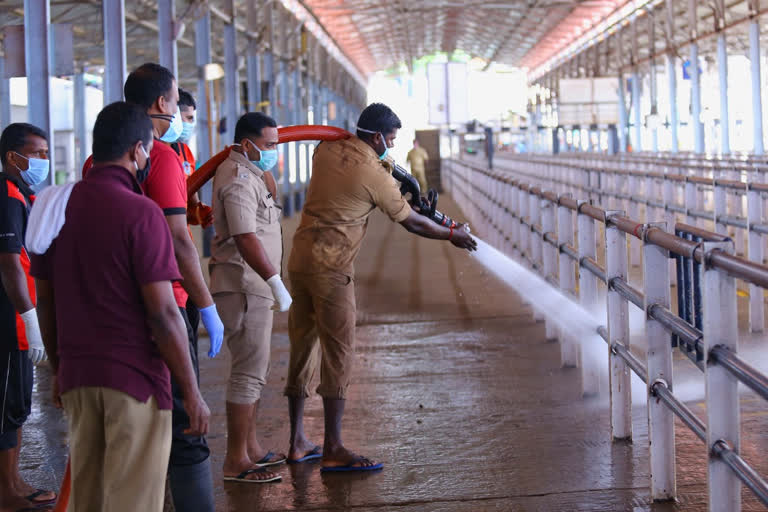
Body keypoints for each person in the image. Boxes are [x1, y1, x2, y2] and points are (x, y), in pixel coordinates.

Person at [28, 101, 210, 512]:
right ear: (136, 151)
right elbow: (164, 314)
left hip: (78, 379)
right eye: (146, 150)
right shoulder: (141, 212)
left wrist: (60, 369)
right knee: (132, 501)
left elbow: (46, 301)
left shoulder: (56, 208)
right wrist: (193, 392)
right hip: (134, 383)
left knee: (88, 499)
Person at [284, 103, 476, 472]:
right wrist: (452, 233)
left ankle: (296, 442)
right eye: (389, 139)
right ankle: (334, 447)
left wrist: (390, 171)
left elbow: (361, 165)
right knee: (338, 354)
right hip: (332, 268)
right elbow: (413, 223)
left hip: (300, 261)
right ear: (375, 137)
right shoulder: (372, 174)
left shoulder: (325, 150)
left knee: (302, 348)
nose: (392, 145)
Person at [122, 63, 223, 511]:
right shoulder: (161, 157)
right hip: (167, 303)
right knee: (186, 420)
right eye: (175, 100)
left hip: (117, 306)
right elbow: (179, 241)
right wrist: (205, 303)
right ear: (163, 103)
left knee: (136, 425)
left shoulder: (97, 161)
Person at [210, 112, 292, 484]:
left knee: (256, 371)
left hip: (253, 286)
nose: (275, 151)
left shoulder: (254, 174)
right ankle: (235, 461)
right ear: (247, 144)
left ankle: (252, 448)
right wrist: (276, 282)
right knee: (247, 372)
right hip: (244, 285)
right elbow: (245, 236)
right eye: (270, 145)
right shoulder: (239, 180)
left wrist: (266, 171)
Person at [0, 123, 56, 511]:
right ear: (12, 157)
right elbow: (9, 265)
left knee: (18, 404)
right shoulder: (6, 195)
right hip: (9, 319)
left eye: (45, 153)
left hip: (18, 319)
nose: (42, 160)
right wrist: (30, 318)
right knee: (6, 407)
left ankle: (14, 481)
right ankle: (5, 492)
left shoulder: (20, 193)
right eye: (36, 153)